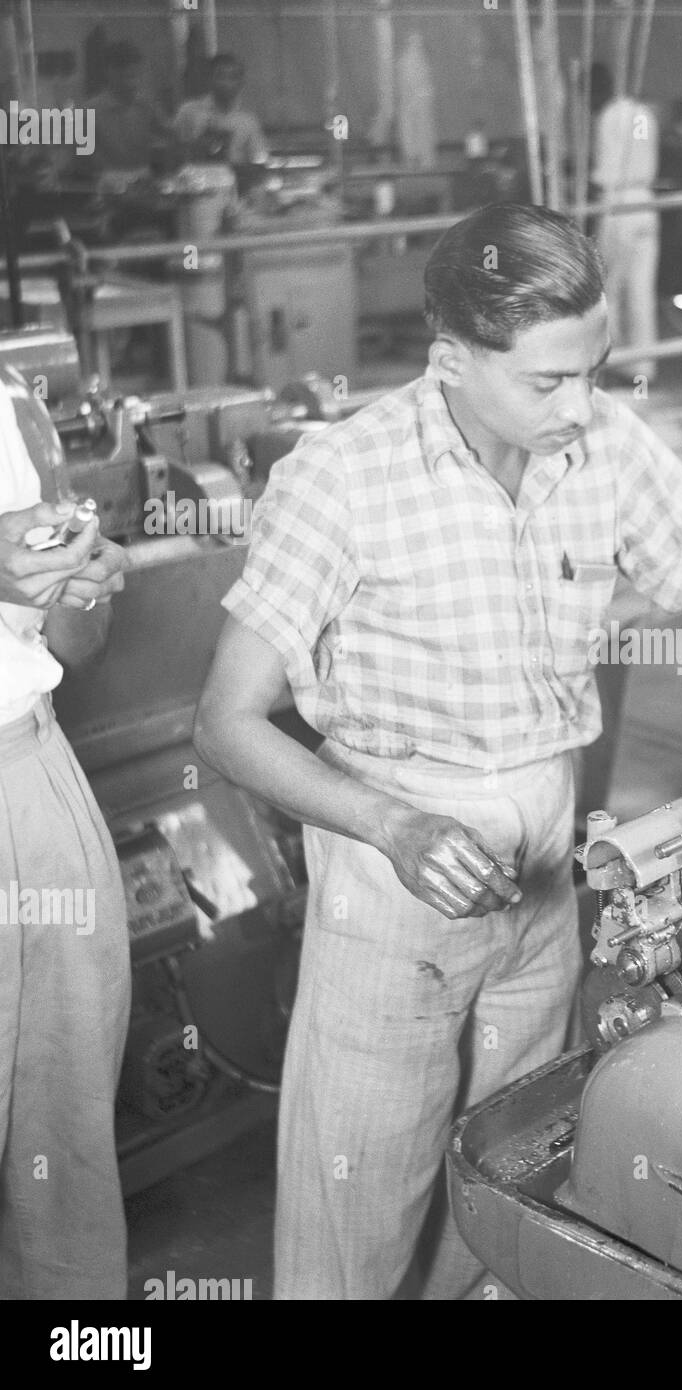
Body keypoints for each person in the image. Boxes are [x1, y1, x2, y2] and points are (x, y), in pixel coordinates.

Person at [194, 201, 682, 1300]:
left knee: (504, 1176)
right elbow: (224, 722)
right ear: (450, 360)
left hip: (542, 865)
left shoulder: (595, 438)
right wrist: (391, 822)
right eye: (547, 382)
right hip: (394, 870)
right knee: (355, 1203)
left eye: (594, 370)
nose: (581, 404)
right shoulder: (345, 477)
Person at [0, 386, 130, 1298]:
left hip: (26, 777)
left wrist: (84, 581)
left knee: (65, 1145)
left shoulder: (8, 406)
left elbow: (75, 645)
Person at [590, 63, 660, 381]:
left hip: (618, 203)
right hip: (645, 202)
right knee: (641, 289)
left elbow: (607, 167)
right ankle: (644, 366)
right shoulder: (645, 113)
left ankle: (616, 360)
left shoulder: (609, 117)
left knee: (612, 288)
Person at [88, 41, 170, 179]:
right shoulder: (88, 111)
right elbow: (81, 164)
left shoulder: (148, 105)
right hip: (107, 186)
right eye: (128, 76)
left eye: (137, 75)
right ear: (110, 73)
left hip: (146, 182)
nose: (134, 83)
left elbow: (169, 136)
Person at [173, 52, 269, 168]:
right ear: (209, 78)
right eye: (220, 76)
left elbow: (259, 158)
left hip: (236, 180)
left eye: (233, 77)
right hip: (196, 180)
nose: (226, 83)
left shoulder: (248, 121)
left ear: (241, 83)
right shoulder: (189, 111)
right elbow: (174, 150)